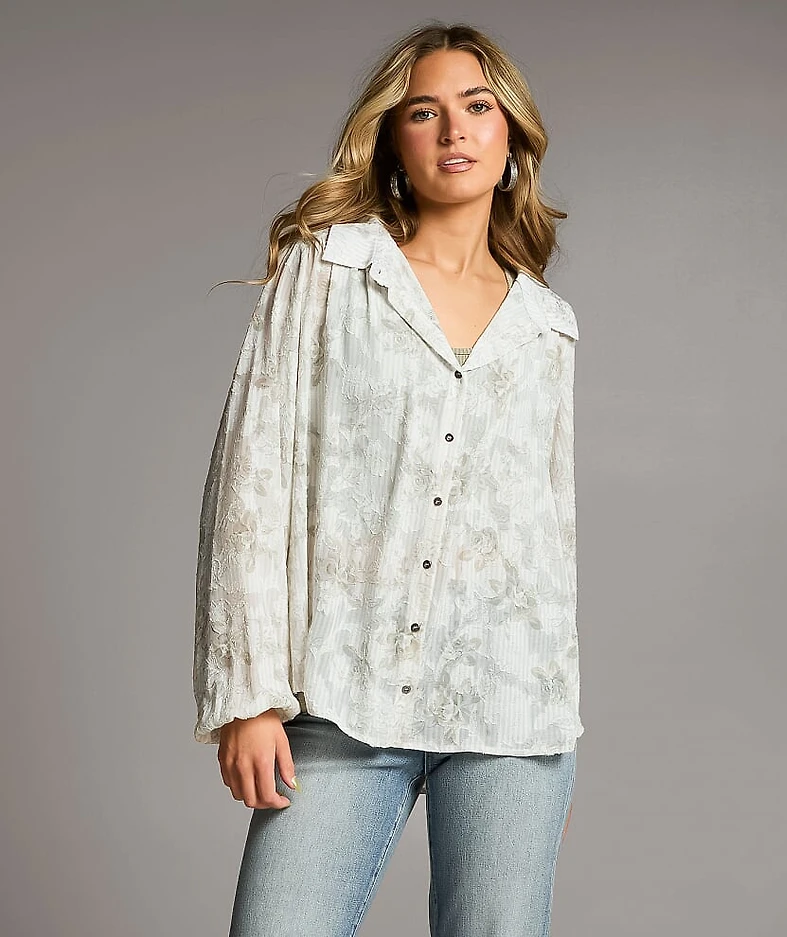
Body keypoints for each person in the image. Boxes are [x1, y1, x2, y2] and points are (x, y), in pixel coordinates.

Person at [193, 20, 584, 937]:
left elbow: (548, 535)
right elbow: (252, 479)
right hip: (343, 694)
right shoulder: (330, 270)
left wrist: (555, 694)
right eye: (424, 111)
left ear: (511, 136)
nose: (454, 129)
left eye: (477, 106)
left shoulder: (547, 325)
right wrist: (247, 695)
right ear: (394, 140)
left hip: (511, 710)